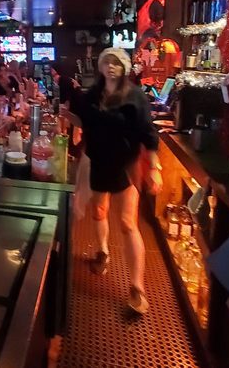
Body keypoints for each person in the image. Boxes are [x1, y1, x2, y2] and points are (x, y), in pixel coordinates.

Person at [63, 48, 161, 315]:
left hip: (125, 165)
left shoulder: (134, 96)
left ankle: (137, 288)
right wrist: (66, 116)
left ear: (125, 67)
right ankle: (103, 252)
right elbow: (86, 122)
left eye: (116, 62)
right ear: (100, 67)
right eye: (106, 62)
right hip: (99, 161)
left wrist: (154, 167)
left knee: (128, 223)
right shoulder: (92, 96)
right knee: (99, 210)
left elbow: (148, 132)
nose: (111, 66)